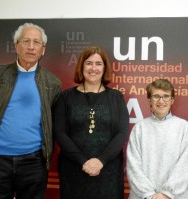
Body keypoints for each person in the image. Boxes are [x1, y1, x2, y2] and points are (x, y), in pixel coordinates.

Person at [0, 23, 62, 199]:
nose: (31, 47)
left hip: (34, 163)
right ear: (16, 45)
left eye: (36, 42)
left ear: (43, 49)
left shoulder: (53, 83)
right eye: (26, 41)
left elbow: (52, 123)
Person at [53, 46, 130, 199]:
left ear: (104, 68)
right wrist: (83, 162)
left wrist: (101, 161)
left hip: (108, 170)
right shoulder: (66, 97)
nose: (93, 68)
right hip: (74, 169)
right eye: (89, 63)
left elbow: (122, 133)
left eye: (98, 64)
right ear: (81, 66)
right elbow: (60, 132)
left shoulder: (116, 97)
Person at [126, 79, 188, 199]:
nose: (161, 101)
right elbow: (133, 167)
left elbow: (185, 165)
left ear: (172, 100)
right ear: (149, 100)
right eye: (156, 96)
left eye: (166, 96)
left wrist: (167, 194)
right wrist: (149, 194)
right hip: (143, 196)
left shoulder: (183, 127)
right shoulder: (139, 128)